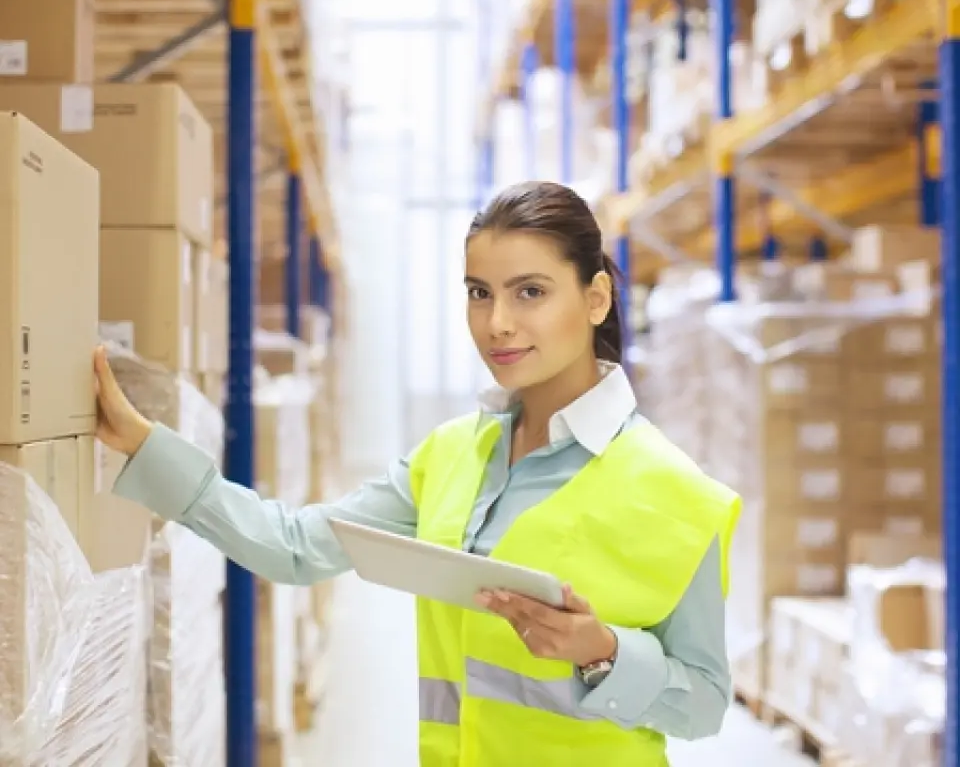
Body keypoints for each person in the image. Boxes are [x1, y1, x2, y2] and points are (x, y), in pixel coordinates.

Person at [94, 181, 741, 766]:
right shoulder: (451, 456)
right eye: (479, 294)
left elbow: (705, 702)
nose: (498, 324)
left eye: (531, 293)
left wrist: (603, 652)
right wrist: (145, 445)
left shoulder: (675, 494)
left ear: (596, 298)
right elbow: (293, 548)